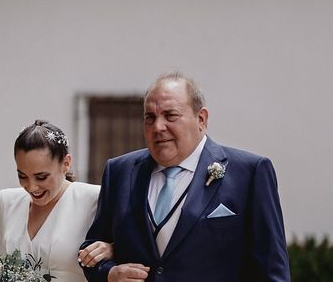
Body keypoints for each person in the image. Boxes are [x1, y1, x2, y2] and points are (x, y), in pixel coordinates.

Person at [79, 72, 290, 281]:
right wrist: (109, 274)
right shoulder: (120, 171)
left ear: (201, 118)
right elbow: (92, 250)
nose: (158, 127)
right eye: (149, 118)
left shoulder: (250, 173)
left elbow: (272, 270)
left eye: (170, 115)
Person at [0, 120, 113, 282]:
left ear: (66, 164)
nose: (32, 187)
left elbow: (133, 248)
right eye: (22, 176)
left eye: (41, 177)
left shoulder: (95, 198)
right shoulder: (6, 201)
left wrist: (113, 249)